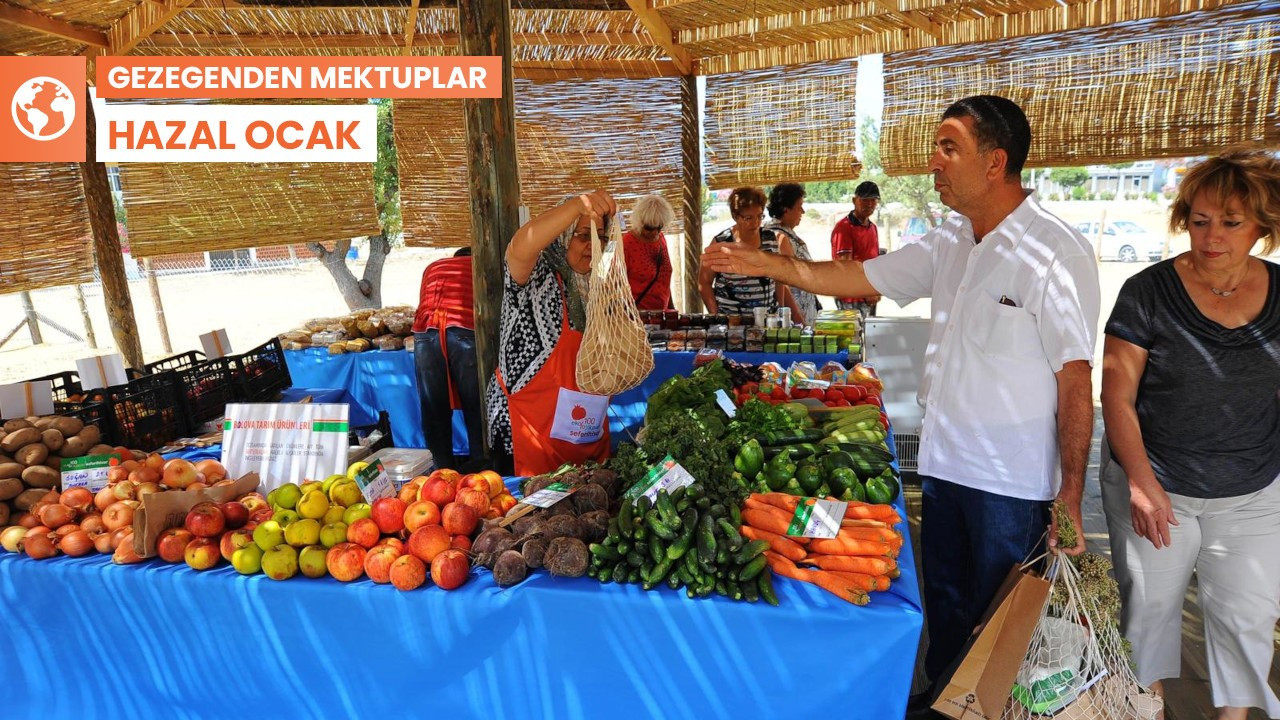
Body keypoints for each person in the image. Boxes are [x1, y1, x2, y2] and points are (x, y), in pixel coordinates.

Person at [702, 95, 1099, 709]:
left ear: (996, 163)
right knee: (944, 615)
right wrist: (768, 265)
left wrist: (1070, 492)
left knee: (1003, 634)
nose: (932, 164)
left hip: (1011, 485)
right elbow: (858, 278)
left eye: (948, 148)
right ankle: (941, 703)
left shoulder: (1055, 252)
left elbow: (1076, 378)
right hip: (943, 469)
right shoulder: (948, 240)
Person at [1100, 151, 1280, 720]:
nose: (1212, 236)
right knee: (1149, 620)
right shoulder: (1147, 291)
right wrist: (1142, 484)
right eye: (1200, 220)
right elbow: (1117, 396)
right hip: (1157, 485)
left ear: (1263, 227)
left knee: (1246, 620)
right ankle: (1147, 712)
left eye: (1231, 222)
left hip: (1253, 490)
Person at [486, 191, 616, 477]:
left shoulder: (597, 284)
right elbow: (521, 245)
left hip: (583, 435)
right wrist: (577, 206)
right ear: (563, 234)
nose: (593, 246)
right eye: (583, 235)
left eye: (600, 238)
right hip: (529, 433)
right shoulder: (535, 273)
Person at [412, 247, 482, 469]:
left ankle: (441, 472)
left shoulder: (433, 267)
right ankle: (484, 471)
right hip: (463, 330)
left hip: (426, 333)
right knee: (477, 407)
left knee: (434, 409)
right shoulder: (480, 265)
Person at [699, 186, 804, 323]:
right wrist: (717, 317)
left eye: (759, 216)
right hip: (733, 325)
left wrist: (781, 313)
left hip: (767, 322)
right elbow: (704, 282)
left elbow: (780, 280)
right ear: (736, 216)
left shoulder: (774, 240)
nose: (755, 223)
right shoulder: (722, 243)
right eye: (748, 218)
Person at [765, 183, 820, 325]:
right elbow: (784, 282)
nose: (803, 211)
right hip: (795, 317)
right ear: (786, 209)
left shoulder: (786, 233)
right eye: (799, 206)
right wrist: (796, 317)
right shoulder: (779, 237)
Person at [830, 180, 883, 317]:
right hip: (850, 295)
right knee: (853, 335)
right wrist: (867, 290)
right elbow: (846, 266)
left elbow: (874, 262)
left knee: (870, 334)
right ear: (855, 200)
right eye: (865, 200)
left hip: (868, 294)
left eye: (873, 200)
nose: (870, 204)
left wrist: (875, 288)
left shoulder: (872, 228)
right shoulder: (844, 227)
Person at [622, 194, 675, 311]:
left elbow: (663, 280)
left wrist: (672, 309)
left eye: (659, 227)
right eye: (649, 228)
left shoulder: (661, 240)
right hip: (636, 319)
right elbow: (609, 281)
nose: (654, 233)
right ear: (639, 222)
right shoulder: (626, 243)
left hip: (662, 316)